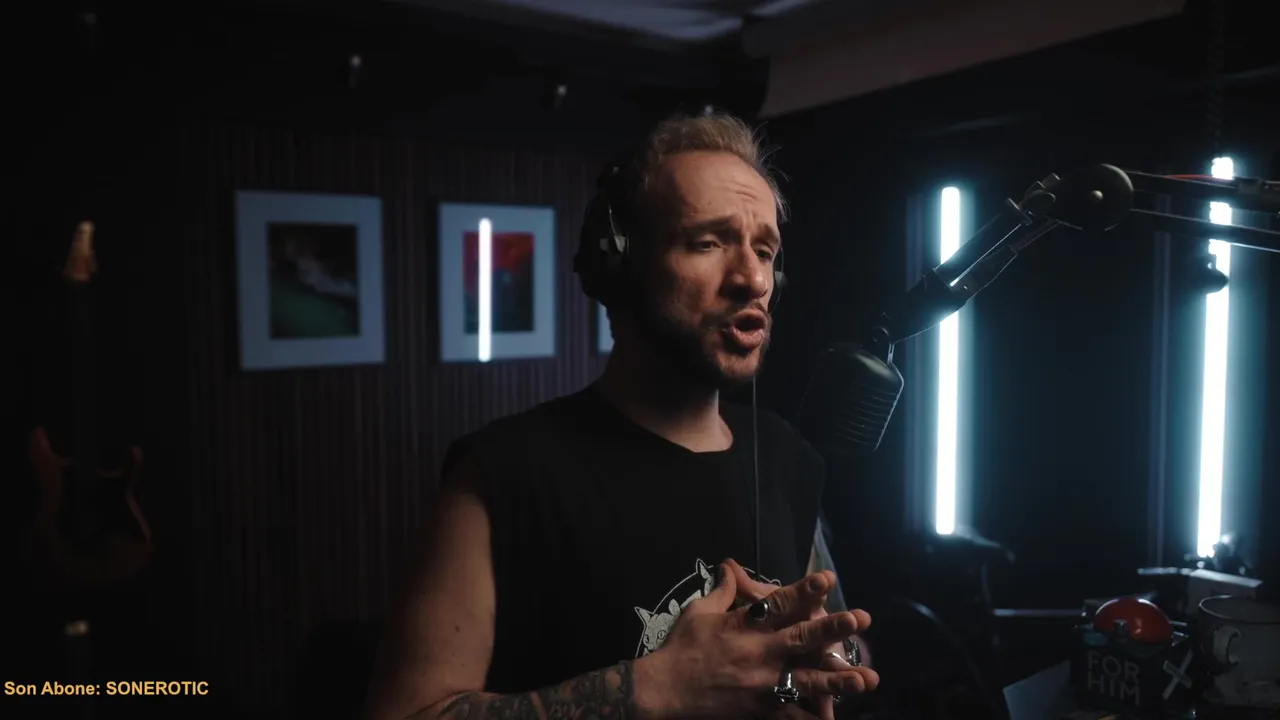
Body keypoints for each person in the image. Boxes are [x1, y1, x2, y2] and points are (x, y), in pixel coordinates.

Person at [363, 111, 879, 720]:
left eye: (764, 250)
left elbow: (839, 642)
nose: (751, 278)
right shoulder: (504, 473)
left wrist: (827, 657)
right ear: (620, 263)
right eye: (708, 242)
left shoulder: (787, 454)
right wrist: (660, 688)